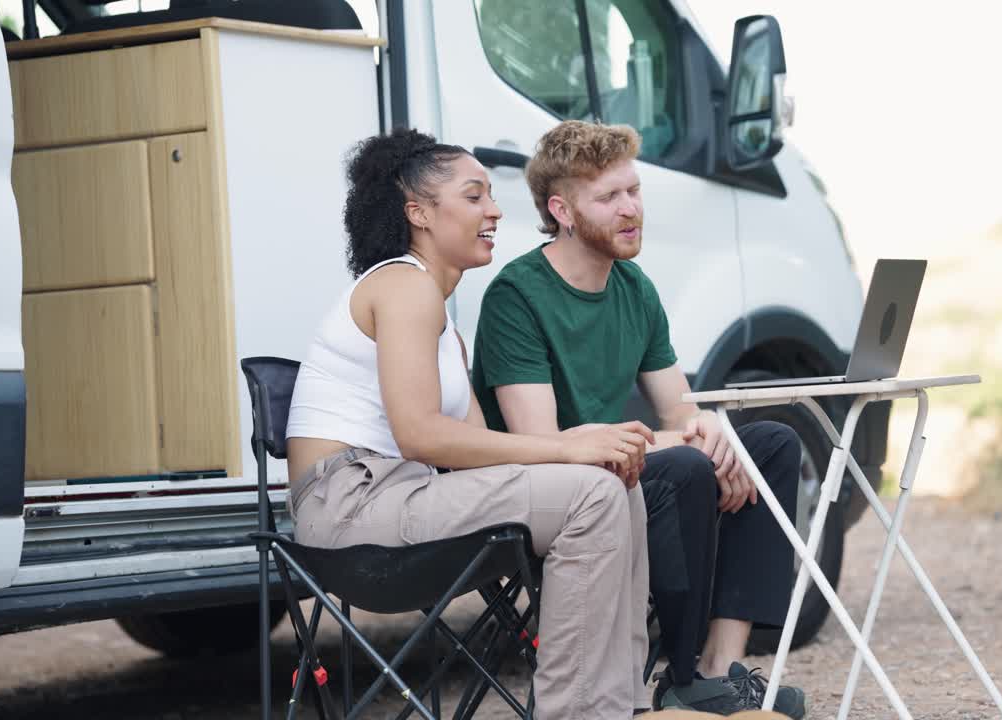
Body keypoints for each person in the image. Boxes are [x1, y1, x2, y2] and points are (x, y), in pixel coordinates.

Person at [284, 128, 653, 719]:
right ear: (420, 214)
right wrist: (568, 451)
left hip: (403, 497)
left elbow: (481, 451)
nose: (496, 210)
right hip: (351, 510)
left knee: (616, 487)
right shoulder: (403, 286)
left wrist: (582, 446)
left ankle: (627, 705)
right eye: (475, 195)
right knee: (589, 490)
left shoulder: (443, 328)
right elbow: (421, 437)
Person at [470, 120, 807, 718]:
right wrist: (690, 442)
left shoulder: (634, 286)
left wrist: (710, 431)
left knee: (770, 444)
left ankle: (718, 671)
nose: (631, 210)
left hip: (626, 473)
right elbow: (541, 442)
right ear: (562, 210)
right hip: (561, 490)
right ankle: (679, 676)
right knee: (684, 466)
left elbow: (678, 406)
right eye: (609, 197)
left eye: (634, 191)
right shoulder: (517, 296)